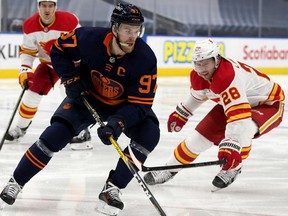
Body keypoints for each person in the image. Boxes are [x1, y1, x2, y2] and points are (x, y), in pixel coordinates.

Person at [0, 2, 160, 215]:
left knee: (149, 134)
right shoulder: (88, 38)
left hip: (122, 105)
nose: (132, 36)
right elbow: (58, 49)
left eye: (136, 30)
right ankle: (16, 182)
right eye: (127, 30)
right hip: (87, 97)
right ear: (114, 28)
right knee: (54, 135)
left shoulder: (145, 58)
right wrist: (70, 77)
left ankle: (113, 188)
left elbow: (140, 104)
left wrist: (118, 123)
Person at [143, 38, 285, 192]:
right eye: (198, 63)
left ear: (217, 60)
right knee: (197, 139)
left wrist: (231, 143)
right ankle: (169, 169)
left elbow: (239, 116)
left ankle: (233, 167)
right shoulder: (199, 75)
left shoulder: (228, 76)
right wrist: (182, 113)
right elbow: (198, 95)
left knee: (245, 129)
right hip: (234, 104)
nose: (202, 69)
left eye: (205, 63)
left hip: (268, 104)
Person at [4, 0, 92, 149]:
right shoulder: (30, 25)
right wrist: (25, 70)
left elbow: (83, 41)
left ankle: (82, 132)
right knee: (32, 93)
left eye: (50, 6)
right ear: (38, 7)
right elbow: (28, 51)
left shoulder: (69, 21)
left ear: (55, 7)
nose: (47, 9)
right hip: (49, 65)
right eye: (43, 5)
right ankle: (20, 128)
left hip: (71, 65)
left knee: (71, 95)